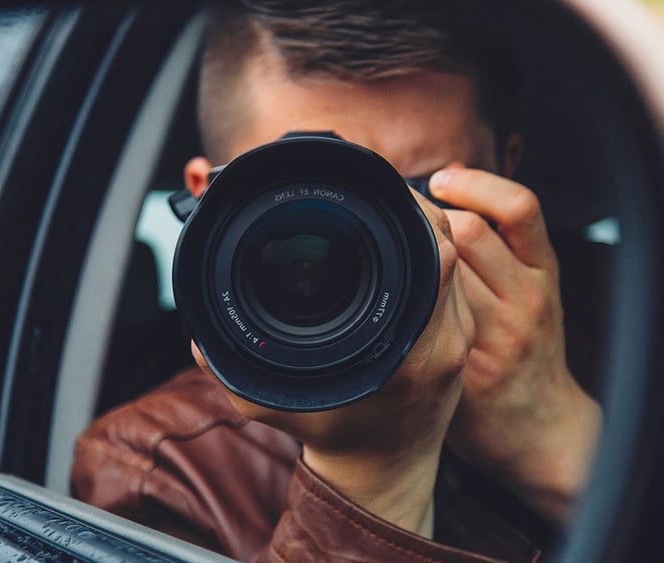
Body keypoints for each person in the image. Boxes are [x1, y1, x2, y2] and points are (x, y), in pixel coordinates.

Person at [71, 1, 602, 561]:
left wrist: (556, 441)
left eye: (422, 196)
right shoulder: (160, 468)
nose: (357, 246)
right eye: (299, 197)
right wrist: (372, 474)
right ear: (206, 200)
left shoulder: (636, 327)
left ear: (504, 170)